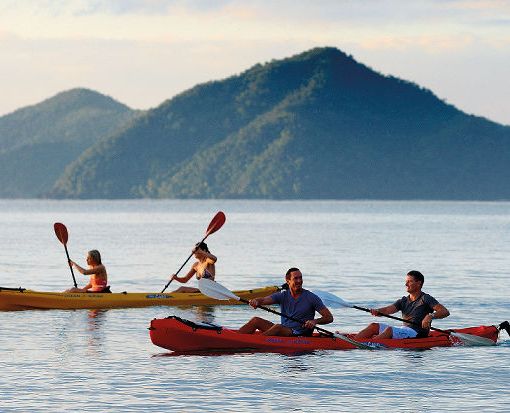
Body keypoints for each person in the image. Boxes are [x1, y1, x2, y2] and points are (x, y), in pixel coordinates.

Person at [353, 270, 450, 340]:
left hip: (417, 333)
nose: (406, 284)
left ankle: (370, 344)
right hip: (404, 330)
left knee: (389, 330)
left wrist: (430, 316)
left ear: (419, 283)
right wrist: (378, 311)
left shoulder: (426, 298)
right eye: (406, 281)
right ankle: (353, 342)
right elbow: (387, 310)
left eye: (409, 281)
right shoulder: (403, 301)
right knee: (374, 326)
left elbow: (445, 312)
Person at [238, 267, 333, 336]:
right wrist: (256, 301)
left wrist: (315, 321)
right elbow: (264, 300)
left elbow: (329, 317)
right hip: (283, 331)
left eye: (300, 277)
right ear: (288, 280)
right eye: (296, 278)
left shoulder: (311, 297)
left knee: (278, 327)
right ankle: (235, 338)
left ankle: (255, 342)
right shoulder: (282, 295)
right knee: (256, 320)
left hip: (299, 334)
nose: (299, 281)